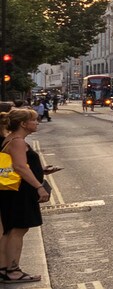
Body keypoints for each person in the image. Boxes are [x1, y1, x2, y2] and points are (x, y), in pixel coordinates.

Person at [0, 106, 51, 283]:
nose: (37, 122)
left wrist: (41, 171)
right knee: (18, 230)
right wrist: (39, 186)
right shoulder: (18, 141)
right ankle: (13, 271)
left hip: (13, 191)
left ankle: (4, 268)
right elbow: (20, 167)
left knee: (10, 230)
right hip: (20, 192)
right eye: (34, 120)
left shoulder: (11, 139)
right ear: (23, 123)